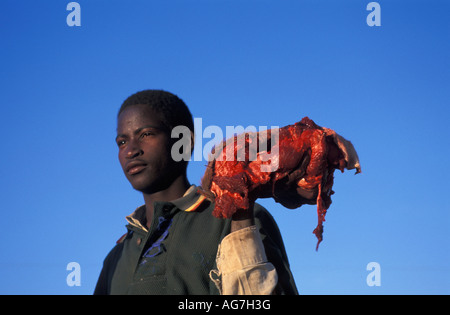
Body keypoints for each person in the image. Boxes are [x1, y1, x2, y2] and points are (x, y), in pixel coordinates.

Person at [94, 90, 299, 295]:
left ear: (184, 142)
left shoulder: (237, 217)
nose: (130, 151)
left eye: (146, 134)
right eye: (122, 142)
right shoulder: (116, 257)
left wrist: (241, 221)